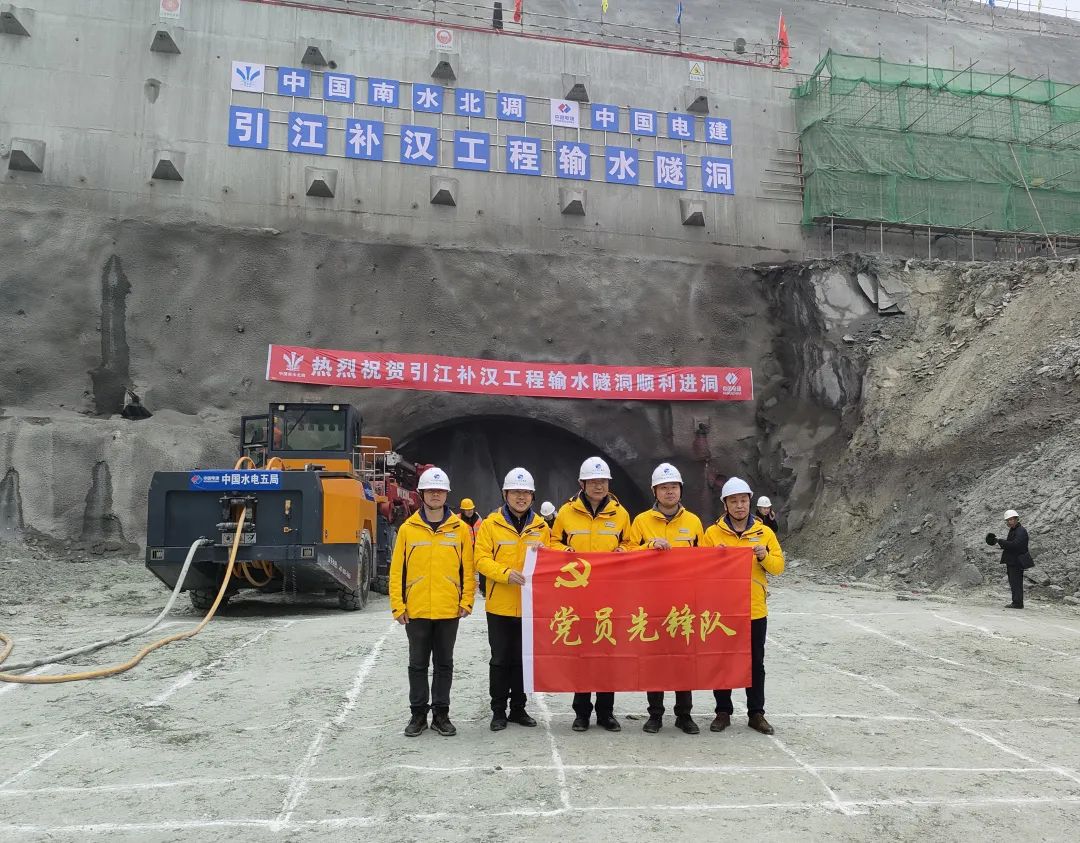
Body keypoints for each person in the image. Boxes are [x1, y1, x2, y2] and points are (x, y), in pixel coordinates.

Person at [389, 467, 475, 738]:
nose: (435, 494)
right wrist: (398, 605)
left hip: (448, 609)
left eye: (440, 490)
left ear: (447, 494)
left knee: (444, 664)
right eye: (431, 490)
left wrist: (467, 600)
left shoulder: (460, 530)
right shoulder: (408, 529)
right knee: (417, 664)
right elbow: (397, 570)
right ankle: (418, 715)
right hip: (416, 610)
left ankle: (441, 714)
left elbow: (468, 569)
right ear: (422, 494)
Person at [550, 456, 634, 732]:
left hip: (610, 595)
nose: (599, 486)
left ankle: (606, 712)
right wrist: (564, 551)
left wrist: (624, 550)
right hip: (578, 596)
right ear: (581, 483)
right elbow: (553, 541)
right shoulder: (566, 513)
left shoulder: (621, 514)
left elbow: (631, 543)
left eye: (603, 481)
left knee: (607, 654)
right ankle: (582, 712)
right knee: (582, 654)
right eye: (593, 481)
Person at [703, 477, 784, 736]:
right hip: (723, 610)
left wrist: (764, 556)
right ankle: (722, 711)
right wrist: (715, 558)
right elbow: (701, 569)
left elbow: (778, 567)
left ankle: (756, 713)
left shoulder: (765, 533)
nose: (739, 505)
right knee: (723, 660)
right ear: (725, 504)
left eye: (743, 500)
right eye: (734, 501)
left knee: (755, 662)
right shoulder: (712, 534)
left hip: (754, 608)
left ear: (750, 502)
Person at [628, 462, 705, 735]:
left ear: (680, 489)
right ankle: (655, 715)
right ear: (654, 491)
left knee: (684, 660)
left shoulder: (693, 522)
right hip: (652, 602)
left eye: (673, 486)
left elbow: (704, 559)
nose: (669, 491)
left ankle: (684, 715)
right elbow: (627, 553)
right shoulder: (641, 521)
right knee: (655, 659)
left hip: (683, 603)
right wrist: (650, 547)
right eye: (663, 487)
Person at [474, 468, 551, 731]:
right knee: (500, 660)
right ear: (505, 494)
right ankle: (498, 711)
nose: (521, 497)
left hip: (529, 606)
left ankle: (518, 708)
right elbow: (480, 559)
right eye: (516, 492)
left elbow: (553, 561)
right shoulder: (490, 525)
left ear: (533, 496)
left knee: (522, 659)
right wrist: (505, 574)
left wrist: (546, 553)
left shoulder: (541, 527)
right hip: (500, 605)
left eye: (526, 492)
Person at [996, 509, 1029, 609]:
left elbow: (1015, 545)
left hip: (1017, 561)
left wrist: (1001, 541)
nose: (1010, 522)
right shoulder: (1014, 530)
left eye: (1011, 519)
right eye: (1008, 520)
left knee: (1016, 582)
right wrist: (1000, 542)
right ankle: (1016, 602)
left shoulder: (1020, 530)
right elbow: (1012, 544)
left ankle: (1018, 603)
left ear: (1016, 519)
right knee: (1014, 582)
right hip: (1013, 560)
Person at [459, 497, 485, 594]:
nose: (470, 511)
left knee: (481, 567)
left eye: (471, 509)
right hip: (464, 548)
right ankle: (464, 588)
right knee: (466, 569)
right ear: (463, 510)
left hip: (477, 547)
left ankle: (481, 589)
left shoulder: (478, 518)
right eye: (467, 510)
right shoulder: (457, 519)